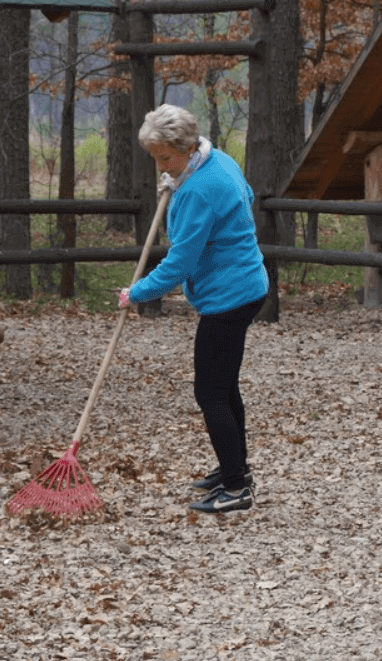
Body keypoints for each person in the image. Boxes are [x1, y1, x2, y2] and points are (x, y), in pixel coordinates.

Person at [118, 104, 269, 514]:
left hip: (229, 297)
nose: (160, 166)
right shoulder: (216, 160)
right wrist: (176, 178)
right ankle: (235, 468)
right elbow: (247, 196)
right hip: (246, 285)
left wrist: (137, 292)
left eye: (165, 157)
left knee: (211, 391)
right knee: (225, 386)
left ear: (186, 147)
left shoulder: (200, 188)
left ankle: (237, 488)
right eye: (156, 158)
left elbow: (180, 263)